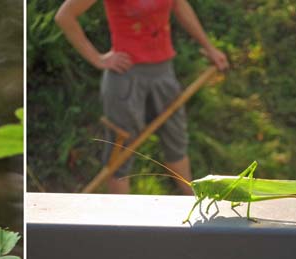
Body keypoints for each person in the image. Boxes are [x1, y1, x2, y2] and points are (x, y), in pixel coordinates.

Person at [55, 0, 229, 194]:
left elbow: (179, 5)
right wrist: (98, 59)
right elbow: (65, 16)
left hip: (164, 74)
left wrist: (209, 47)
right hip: (127, 78)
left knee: (176, 143)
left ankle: (194, 208)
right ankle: (121, 222)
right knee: (119, 156)